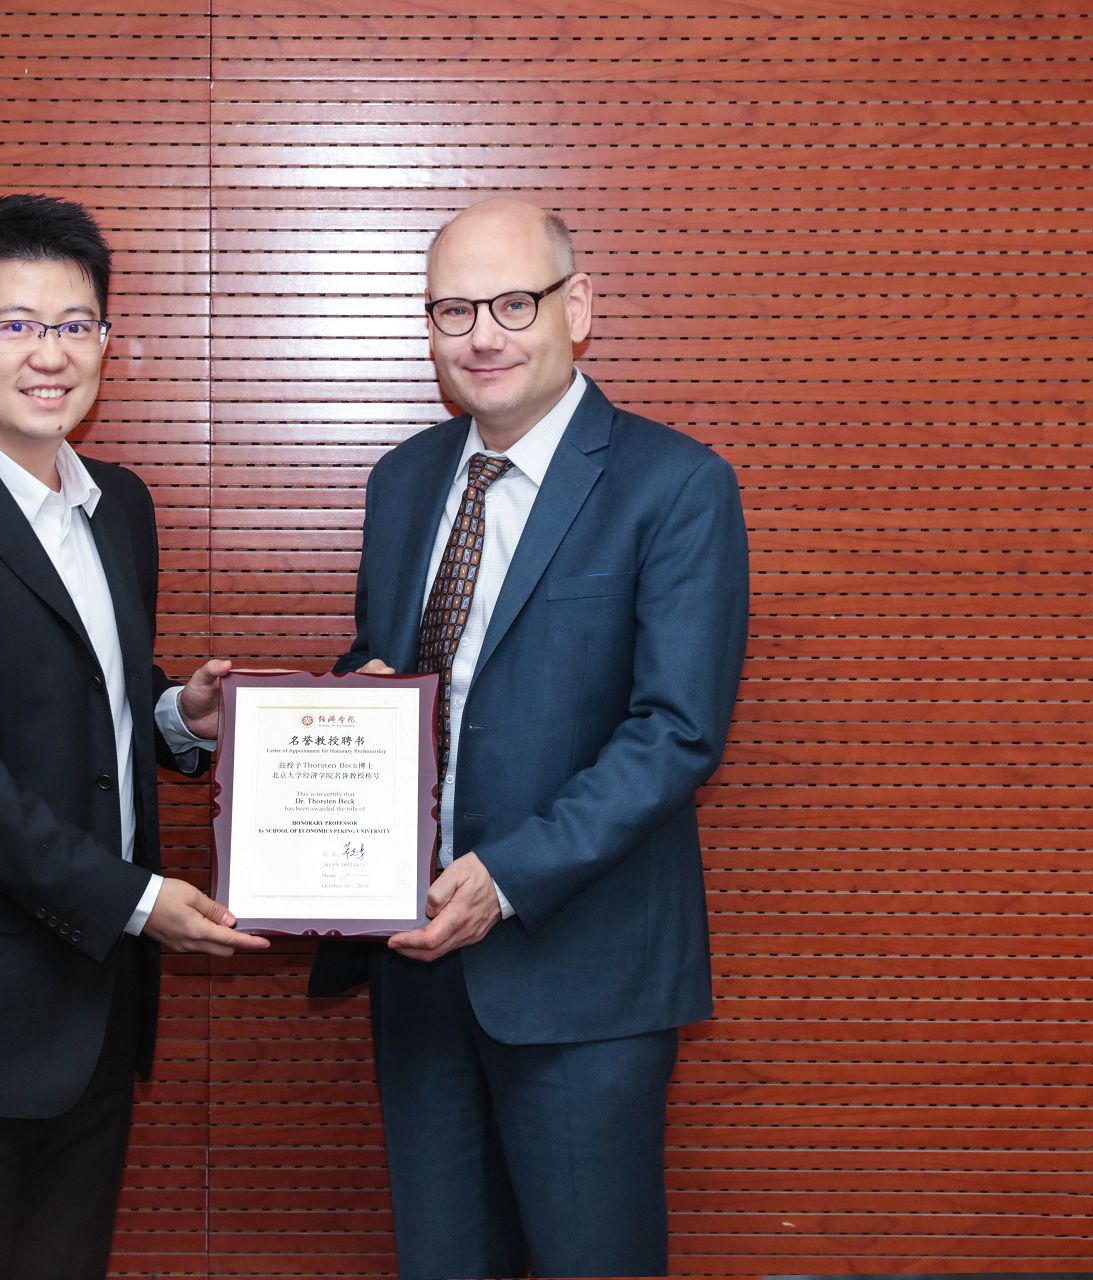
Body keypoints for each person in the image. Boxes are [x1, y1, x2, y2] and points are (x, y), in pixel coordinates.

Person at [0, 193, 268, 1280]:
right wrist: (140, 902)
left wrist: (177, 716)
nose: (50, 354)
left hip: (96, 1016)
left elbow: (83, 697)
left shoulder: (119, 504)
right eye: (16, 325)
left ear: (105, 341)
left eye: (75, 324)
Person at [309, 197, 750, 1278]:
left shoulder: (675, 484)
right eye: (453, 310)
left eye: (514, 303)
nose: (483, 336)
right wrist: (341, 707)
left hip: (582, 973)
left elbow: (676, 730)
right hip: (418, 968)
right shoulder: (403, 479)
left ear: (577, 308)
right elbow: (391, 673)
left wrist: (503, 879)